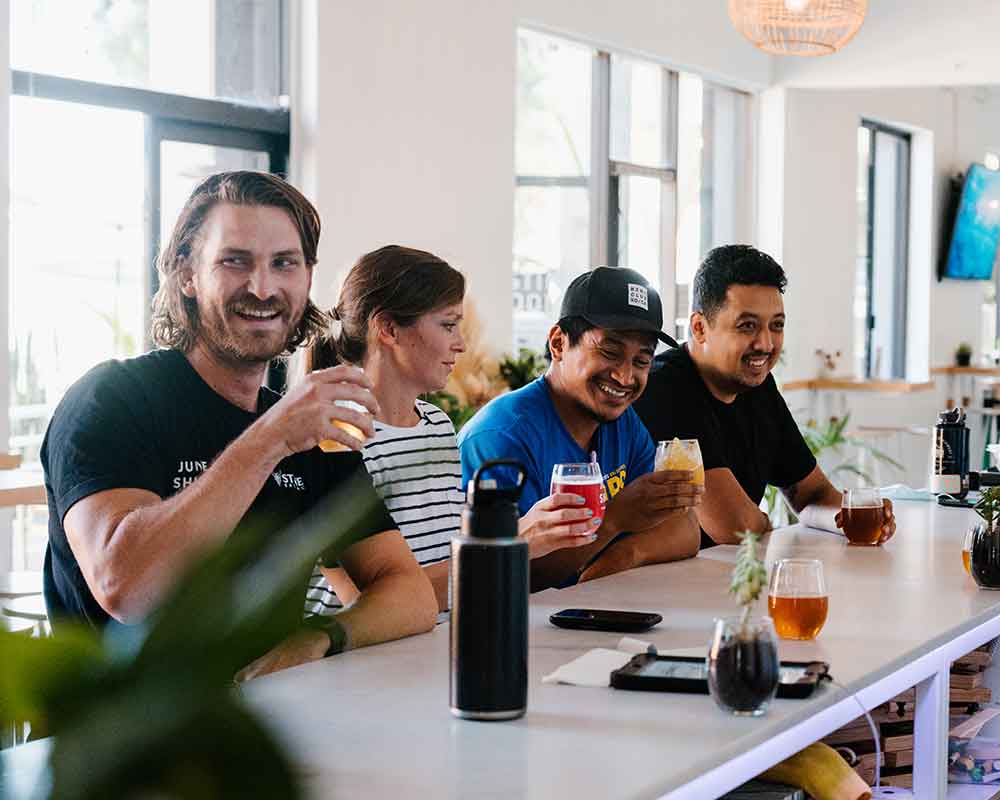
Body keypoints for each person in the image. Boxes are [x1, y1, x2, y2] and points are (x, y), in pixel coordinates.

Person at [40, 171, 436, 680]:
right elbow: (128, 588)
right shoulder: (112, 400)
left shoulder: (305, 427)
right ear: (187, 274)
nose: (262, 287)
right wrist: (271, 437)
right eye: (235, 261)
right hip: (122, 748)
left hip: (264, 729)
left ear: (307, 278)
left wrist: (319, 637)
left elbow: (410, 592)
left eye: (284, 264)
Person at [302, 245, 609, 614]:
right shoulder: (336, 437)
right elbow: (369, 605)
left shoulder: (436, 424)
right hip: (360, 658)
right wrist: (515, 541)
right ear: (387, 329)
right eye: (448, 325)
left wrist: (524, 535)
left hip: (432, 641)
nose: (461, 344)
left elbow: (449, 555)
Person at [632, 244, 896, 547]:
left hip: (728, 577)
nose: (766, 343)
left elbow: (811, 495)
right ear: (700, 327)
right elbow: (735, 527)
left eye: (777, 326)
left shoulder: (757, 387)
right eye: (747, 326)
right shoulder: (663, 389)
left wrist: (850, 516)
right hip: (658, 585)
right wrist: (764, 522)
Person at [458, 267, 703, 590]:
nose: (625, 377)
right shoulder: (499, 437)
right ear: (559, 343)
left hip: (597, 612)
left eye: (642, 361)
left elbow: (684, 527)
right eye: (610, 352)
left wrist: (626, 554)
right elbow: (501, 575)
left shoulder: (621, 421)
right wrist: (614, 520)